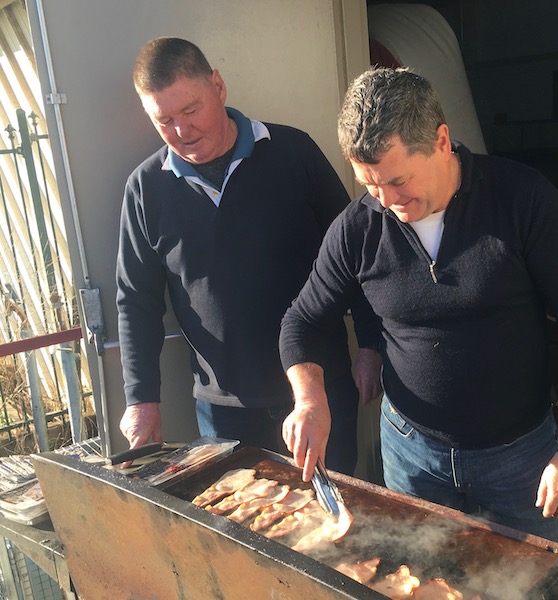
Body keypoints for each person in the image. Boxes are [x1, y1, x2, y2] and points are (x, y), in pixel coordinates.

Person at [279, 67, 558, 551]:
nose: (386, 201)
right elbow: (302, 321)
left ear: (441, 141)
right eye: (369, 185)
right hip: (411, 454)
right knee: (419, 576)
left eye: (397, 181)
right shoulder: (358, 226)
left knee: (548, 584)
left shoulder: (522, 200)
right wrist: (309, 398)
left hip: (521, 456)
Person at [116, 37, 381, 474]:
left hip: (320, 388)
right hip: (224, 411)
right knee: (244, 532)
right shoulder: (145, 189)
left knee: (336, 524)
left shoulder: (293, 152)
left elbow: (356, 254)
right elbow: (135, 300)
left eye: (191, 110)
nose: (182, 131)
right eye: (164, 120)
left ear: (218, 87)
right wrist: (141, 399)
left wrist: (370, 343)